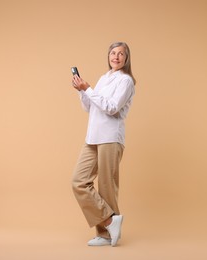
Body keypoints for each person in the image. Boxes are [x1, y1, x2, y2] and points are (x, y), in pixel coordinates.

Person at [71, 42, 136, 247]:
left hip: (110, 136)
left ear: (126, 59)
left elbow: (111, 108)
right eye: (113, 53)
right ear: (108, 56)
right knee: (79, 181)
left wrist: (88, 89)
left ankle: (106, 235)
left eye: (121, 54)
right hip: (93, 136)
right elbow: (90, 107)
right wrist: (82, 91)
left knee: (107, 186)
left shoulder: (126, 81)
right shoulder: (103, 78)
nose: (116, 57)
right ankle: (109, 222)